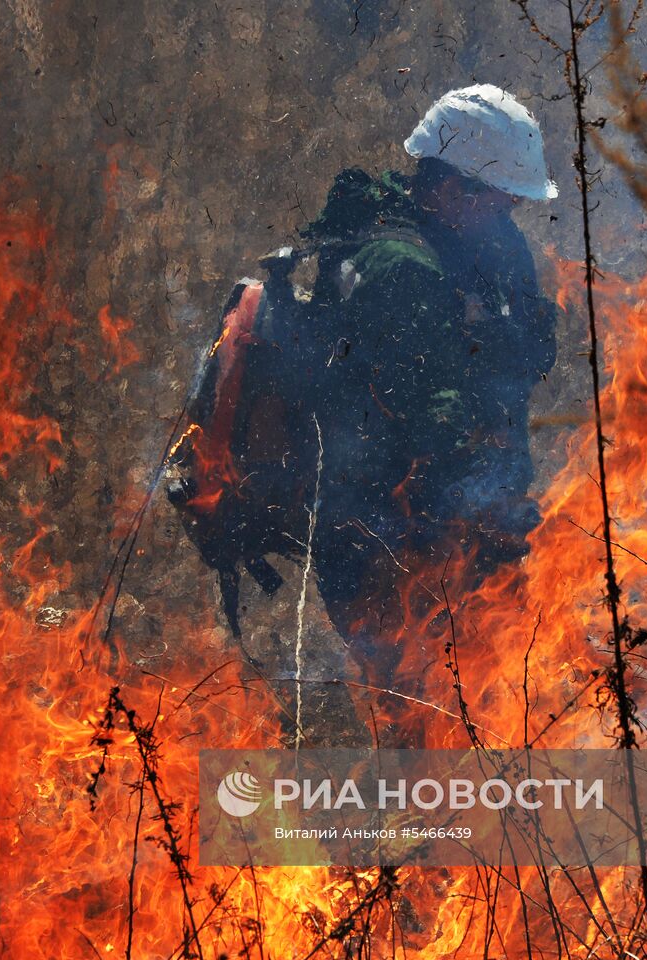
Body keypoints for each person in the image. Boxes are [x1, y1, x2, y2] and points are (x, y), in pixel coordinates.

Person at [169, 84, 558, 696]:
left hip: (424, 525)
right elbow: (435, 425)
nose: (509, 219)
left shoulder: (460, 242)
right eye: (499, 204)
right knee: (436, 707)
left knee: (471, 708)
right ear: (455, 188)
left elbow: (532, 354)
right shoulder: (401, 268)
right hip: (389, 537)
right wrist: (495, 522)